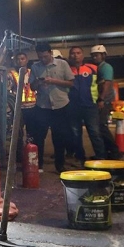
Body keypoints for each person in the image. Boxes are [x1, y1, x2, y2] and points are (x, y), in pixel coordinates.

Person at [29, 42, 75, 173]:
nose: (43, 60)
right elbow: (32, 87)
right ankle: (39, 165)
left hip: (61, 105)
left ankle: (60, 165)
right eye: (40, 57)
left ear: (50, 53)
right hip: (42, 106)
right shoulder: (35, 67)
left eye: (45, 57)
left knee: (59, 137)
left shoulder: (62, 64)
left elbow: (71, 83)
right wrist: (38, 81)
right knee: (39, 137)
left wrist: (53, 81)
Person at [67, 46, 106, 163]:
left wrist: (101, 99)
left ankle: (101, 156)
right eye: (73, 53)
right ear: (69, 56)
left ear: (83, 55)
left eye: (78, 53)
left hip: (90, 106)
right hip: (73, 106)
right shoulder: (67, 70)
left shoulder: (93, 68)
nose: (75, 55)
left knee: (94, 132)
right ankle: (80, 157)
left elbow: (102, 85)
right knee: (75, 134)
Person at [90, 44, 121, 159]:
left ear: (103, 55)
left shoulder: (106, 67)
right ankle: (107, 152)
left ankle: (114, 151)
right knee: (99, 127)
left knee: (101, 126)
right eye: (93, 55)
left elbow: (107, 84)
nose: (94, 57)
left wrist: (101, 99)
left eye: (97, 55)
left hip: (104, 100)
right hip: (101, 100)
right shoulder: (98, 68)